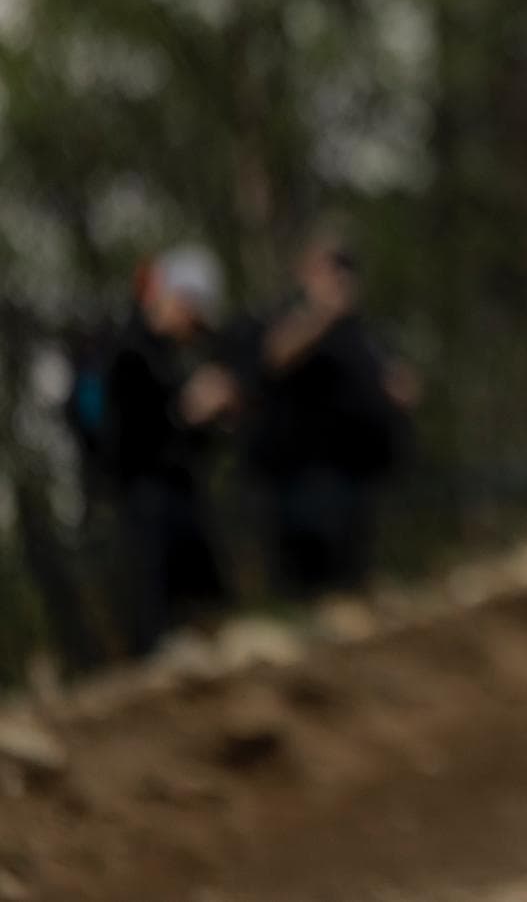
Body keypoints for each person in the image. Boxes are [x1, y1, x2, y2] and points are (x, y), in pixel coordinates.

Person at [244, 228, 414, 598]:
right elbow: (273, 357)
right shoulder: (289, 314)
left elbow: (384, 377)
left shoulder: (358, 330)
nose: (337, 276)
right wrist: (322, 315)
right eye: (328, 267)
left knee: (351, 580)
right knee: (313, 585)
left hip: (354, 473)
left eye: (344, 266)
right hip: (302, 478)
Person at [103, 244, 239, 656]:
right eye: (191, 315)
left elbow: (191, 441)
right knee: (153, 598)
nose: (193, 329)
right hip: (144, 495)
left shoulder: (174, 356)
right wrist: (186, 409)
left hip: (181, 492)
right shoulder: (128, 350)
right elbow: (131, 435)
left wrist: (212, 418)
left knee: (203, 595)